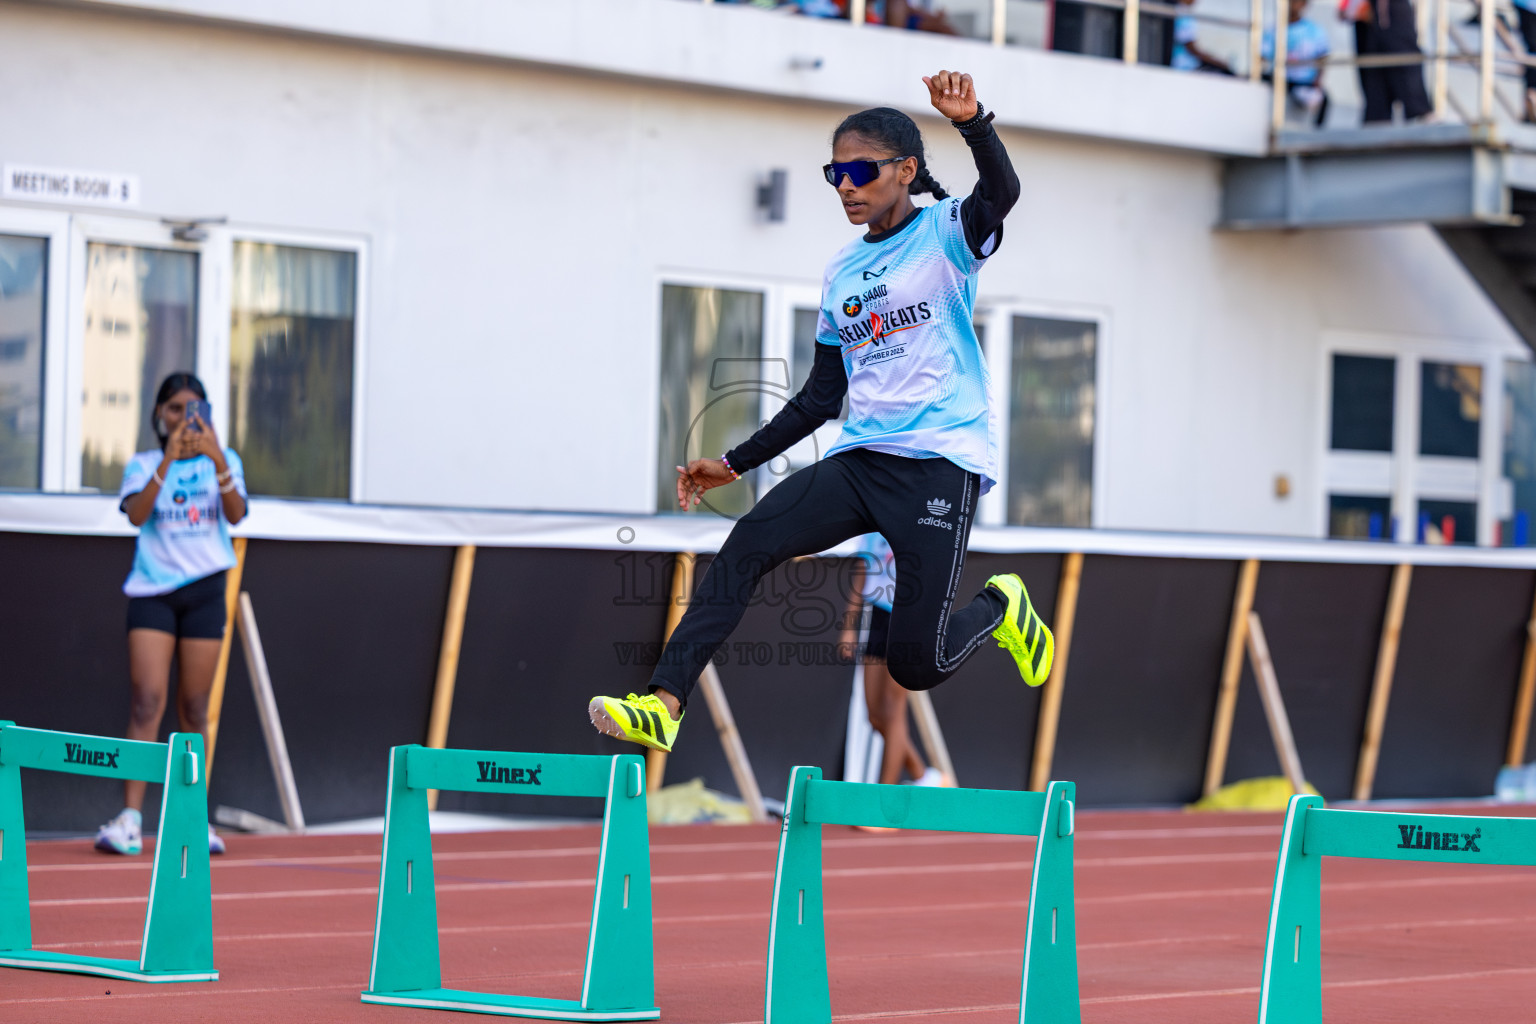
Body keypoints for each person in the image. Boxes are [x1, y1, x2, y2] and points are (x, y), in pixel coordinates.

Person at [588, 71, 1054, 754]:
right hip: (861, 460)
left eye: (861, 170)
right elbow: (821, 396)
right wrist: (733, 463)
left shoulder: (948, 235)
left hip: (937, 466)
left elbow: (1002, 195)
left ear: (906, 171)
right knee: (747, 542)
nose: (845, 185)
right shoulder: (841, 272)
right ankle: (663, 704)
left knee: (915, 665)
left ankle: (1001, 605)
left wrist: (974, 121)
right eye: (834, 173)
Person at [94, 372, 247, 856]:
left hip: (205, 591)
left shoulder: (223, 461)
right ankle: (130, 820)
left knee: (196, 709)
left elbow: (237, 513)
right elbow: (137, 515)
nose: (186, 418)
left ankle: (192, 820)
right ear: (160, 415)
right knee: (146, 701)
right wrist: (168, 460)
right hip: (153, 593)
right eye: (176, 409)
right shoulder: (142, 464)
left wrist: (216, 456)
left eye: (196, 409)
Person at [840, 533, 947, 787]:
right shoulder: (873, 518)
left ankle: (884, 801)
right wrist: (849, 625)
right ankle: (923, 776)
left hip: (909, 618)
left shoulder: (920, 515)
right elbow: (862, 567)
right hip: (878, 615)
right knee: (875, 716)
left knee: (893, 711)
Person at [1341, 0, 1432, 123]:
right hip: (1368, 26)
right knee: (1376, 99)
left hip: (1392, 18)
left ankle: (1421, 119)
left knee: (1408, 77)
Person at [1264, 0, 1332, 126]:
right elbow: (1262, 57)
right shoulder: (1274, 29)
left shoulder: (1315, 31)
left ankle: (1316, 135)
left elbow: (1323, 58)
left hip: (1304, 82)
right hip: (1279, 80)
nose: (1293, 5)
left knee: (1324, 99)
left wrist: (1318, 80)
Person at [1172, 0, 1236, 74]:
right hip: (1185, 68)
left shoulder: (1178, 11)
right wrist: (1219, 63)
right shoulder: (1181, 13)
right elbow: (1192, 49)